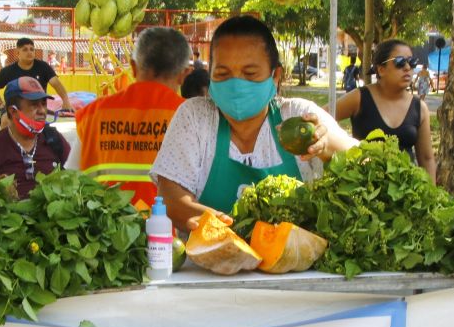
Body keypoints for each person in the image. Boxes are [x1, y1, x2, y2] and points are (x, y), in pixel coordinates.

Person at [152, 16, 357, 232]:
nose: (236, 84)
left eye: (250, 74)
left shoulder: (299, 115)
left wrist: (327, 148)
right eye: (223, 74)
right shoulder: (194, 118)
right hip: (208, 262)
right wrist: (230, 228)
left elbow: (363, 161)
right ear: (210, 75)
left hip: (296, 264)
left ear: (275, 76)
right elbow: (171, 200)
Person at [67, 27, 191, 210]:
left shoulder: (93, 114)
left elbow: (69, 179)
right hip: (168, 235)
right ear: (184, 74)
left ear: (133, 67)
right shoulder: (190, 117)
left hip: (102, 232)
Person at [333, 39, 436, 182]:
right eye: (400, 62)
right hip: (361, 191)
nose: (407, 68)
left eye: (411, 62)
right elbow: (321, 116)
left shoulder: (419, 108)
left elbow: (427, 158)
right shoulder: (359, 98)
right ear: (381, 69)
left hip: (406, 195)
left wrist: (432, 196)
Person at [0, 76, 70, 199]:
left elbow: (75, 179)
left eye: (43, 104)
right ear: (13, 111)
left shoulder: (55, 140)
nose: (42, 111)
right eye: (34, 105)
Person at [0, 38, 73, 113]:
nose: (29, 52)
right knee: (5, 121)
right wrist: (1, 105)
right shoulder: (8, 71)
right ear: (18, 53)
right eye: (25, 50)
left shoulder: (43, 67)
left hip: (38, 111)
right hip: (15, 112)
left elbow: (56, 83)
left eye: (32, 49)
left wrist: (66, 101)